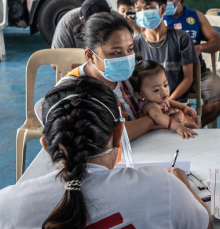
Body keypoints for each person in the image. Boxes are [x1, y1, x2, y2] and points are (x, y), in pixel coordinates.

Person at [0, 77, 212, 229]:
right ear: (118, 134)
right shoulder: (161, 187)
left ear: (45, 146)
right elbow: (203, 226)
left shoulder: (3, 207)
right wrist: (182, 183)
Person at [61, 12, 163, 141]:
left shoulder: (130, 77)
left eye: (130, 49)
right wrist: (152, 121)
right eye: (116, 52)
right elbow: (106, 137)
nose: (126, 58)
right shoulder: (72, 90)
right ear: (90, 56)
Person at [157, 0, 220, 126]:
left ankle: (193, 125)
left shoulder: (195, 16)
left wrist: (199, 48)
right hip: (165, 71)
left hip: (197, 70)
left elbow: (218, 43)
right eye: (160, 1)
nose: (164, 4)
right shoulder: (157, 19)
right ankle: (170, 125)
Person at [131, 0, 199, 106]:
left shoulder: (181, 38)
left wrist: (168, 103)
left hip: (177, 103)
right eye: (138, 10)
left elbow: (188, 78)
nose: (142, 13)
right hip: (148, 107)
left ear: (162, 9)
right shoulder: (135, 44)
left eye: (148, 8)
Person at [130, 60, 199, 137]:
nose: (164, 91)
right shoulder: (150, 105)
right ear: (140, 95)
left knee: (193, 126)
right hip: (160, 134)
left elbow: (170, 102)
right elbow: (158, 116)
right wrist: (178, 127)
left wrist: (185, 108)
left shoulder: (158, 99)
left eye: (165, 85)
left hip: (172, 128)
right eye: (156, 90)